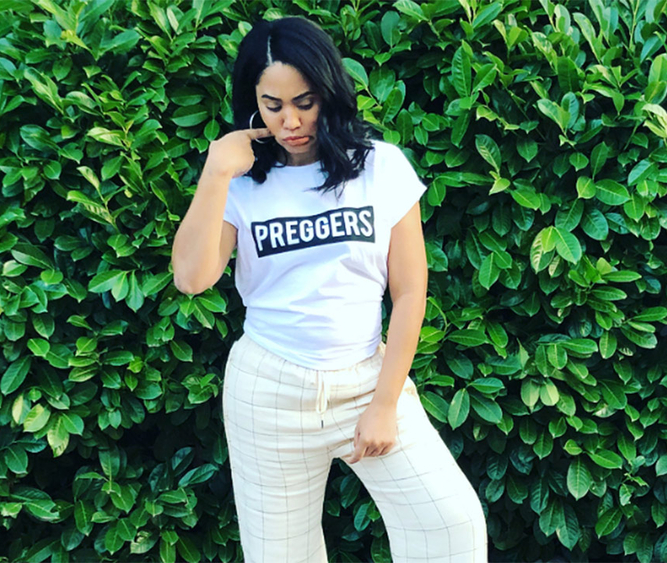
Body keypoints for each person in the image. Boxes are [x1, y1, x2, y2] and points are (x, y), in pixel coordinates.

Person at [171, 16, 487, 563]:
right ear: (253, 103)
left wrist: (384, 404)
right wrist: (215, 174)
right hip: (267, 390)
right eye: (273, 105)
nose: (291, 121)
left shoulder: (380, 167)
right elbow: (192, 279)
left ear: (329, 93)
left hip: (367, 379)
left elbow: (410, 293)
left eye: (305, 102)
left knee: (449, 526)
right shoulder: (241, 183)